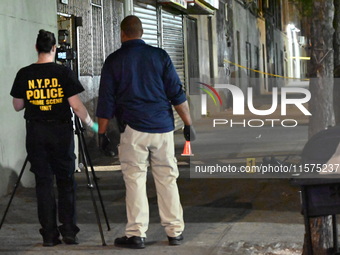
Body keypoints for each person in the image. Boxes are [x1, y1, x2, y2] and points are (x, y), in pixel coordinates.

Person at [96, 15, 196, 249]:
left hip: (133, 130)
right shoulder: (159, 56)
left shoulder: (114, 60)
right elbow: (177, 93)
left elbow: (106, 101)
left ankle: (136, 234)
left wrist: (101, 133)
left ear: (122, 33)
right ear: (141, 33)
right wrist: (188, 123)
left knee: (135, 180)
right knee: (168, 179)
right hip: (162, 128)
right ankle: (175, 231)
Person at [10, 29, 98, 247]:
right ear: (54, 48)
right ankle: (69, 232)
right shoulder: (64, 73)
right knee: (66, 180)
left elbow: (17, 106)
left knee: (43, 182)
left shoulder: (24, 73)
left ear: (36, 48)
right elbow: (76, 107)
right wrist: (92, 125)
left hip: (36, 132)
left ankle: (49, 235)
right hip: (61, 133)